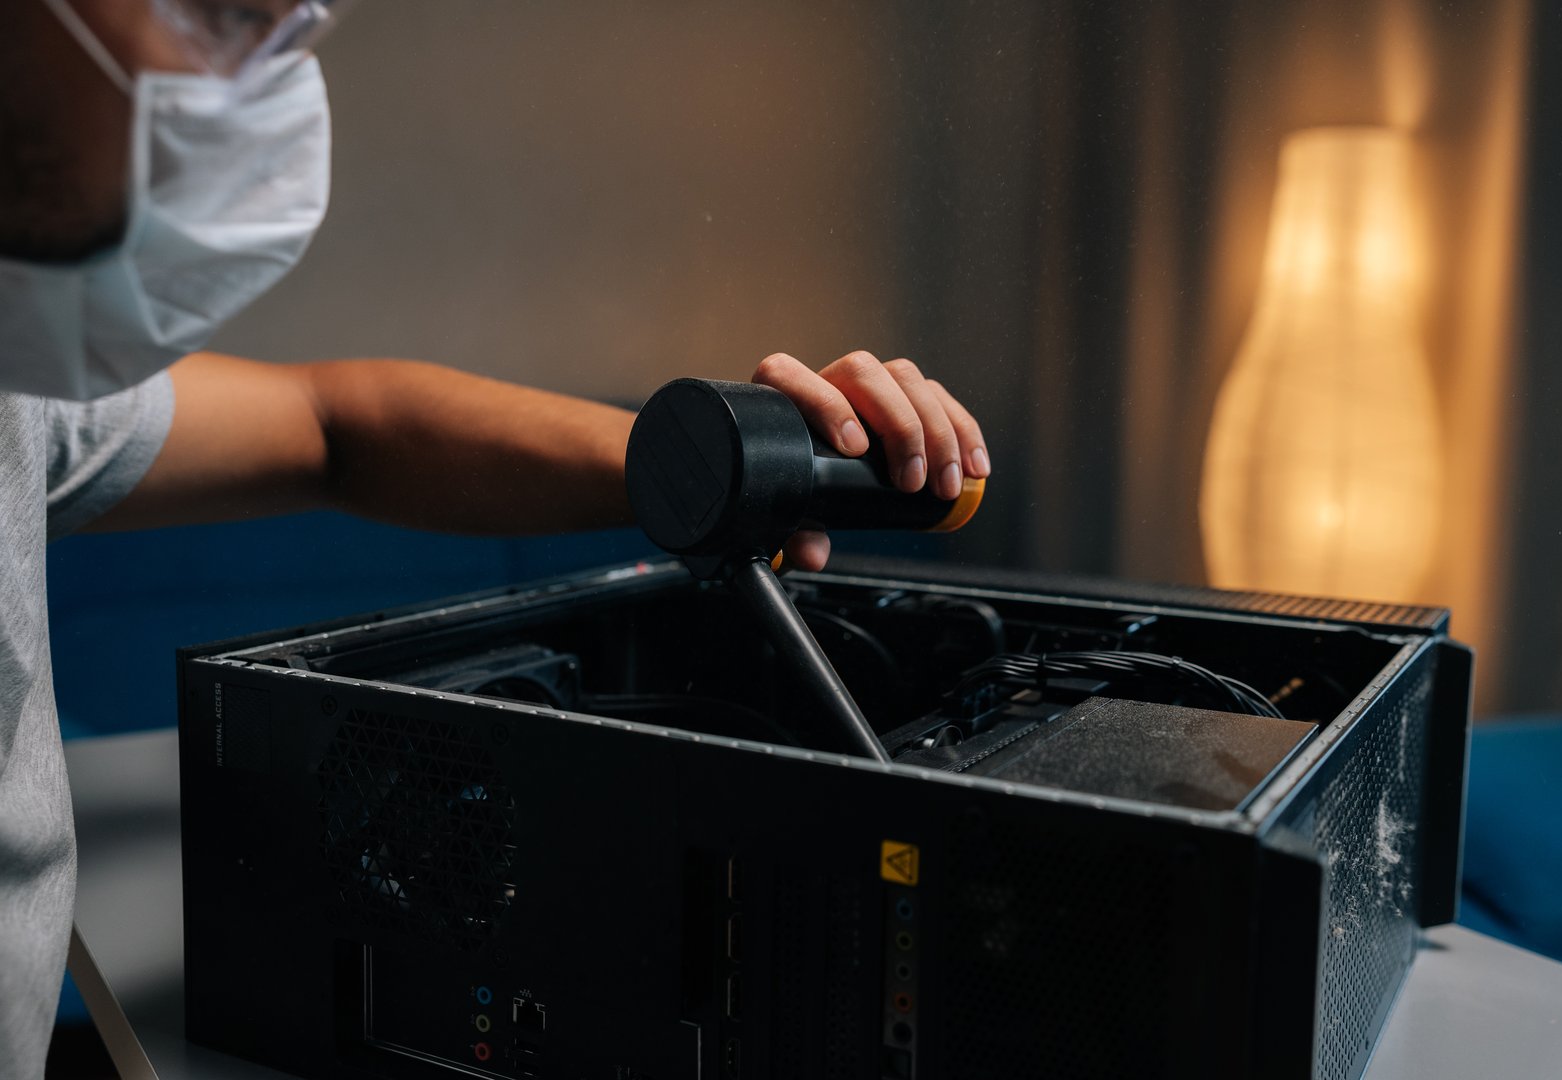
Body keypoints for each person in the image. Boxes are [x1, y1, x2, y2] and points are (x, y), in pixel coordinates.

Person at [0, 0, 991, 1073]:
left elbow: (342, 430)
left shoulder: (23, 386)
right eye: (226, 17)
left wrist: (725, 469)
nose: (271, 84)